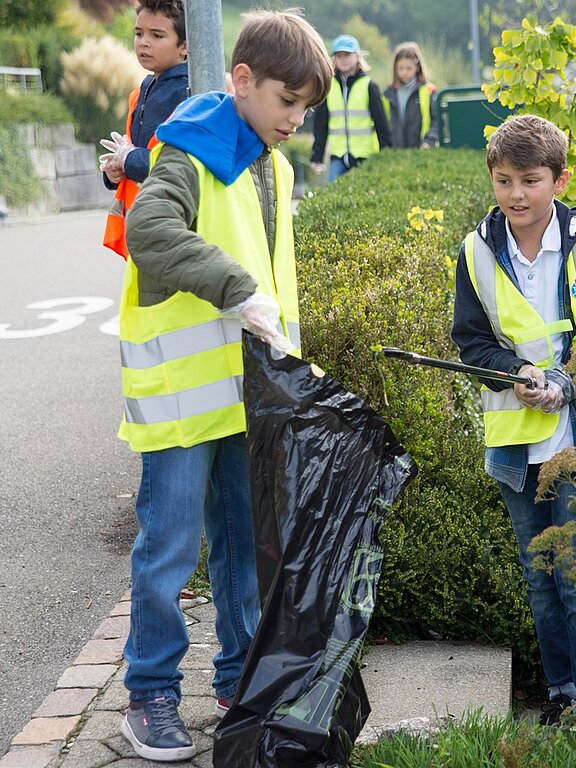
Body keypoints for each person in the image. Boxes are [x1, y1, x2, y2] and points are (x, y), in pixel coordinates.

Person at [116, 8, 333, 762]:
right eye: (286, 102)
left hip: (247, 397)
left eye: (305, 109)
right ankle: (149, 696)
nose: (295, 121)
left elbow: (276, 282)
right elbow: (150, 234)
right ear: (241, 80)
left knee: (245, 552)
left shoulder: (271, 163)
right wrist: (235, 287)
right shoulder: (189, 146)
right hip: (180, 394)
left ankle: (241, 682)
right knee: (170, 549)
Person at [451, 113, 576, 742]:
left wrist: (568, 380)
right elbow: (472, 342)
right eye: (504, 181)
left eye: (530, 181)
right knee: (540, 578)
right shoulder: (476, 251)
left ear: (558, 181)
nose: (516, 195)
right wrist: (514, 373)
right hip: (516, 439)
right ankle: (561, 696)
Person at [99, 0, 189, 259]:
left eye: (157, 35)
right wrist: (115, 170)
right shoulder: (143, 89)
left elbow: (178, 165)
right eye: (139, 33)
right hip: (142, 227)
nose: (143, 42)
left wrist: (129, 159)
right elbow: (136, 149)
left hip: (170, 230)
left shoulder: (188, 94)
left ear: (185, 46)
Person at [309, 34, 391, 181]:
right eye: (339, 55)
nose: (343, 59)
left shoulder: (368, 85)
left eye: (347, 54)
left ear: (357, 56)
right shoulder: (328, 87)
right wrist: (317, 157)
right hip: (338, 155)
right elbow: (320, 125)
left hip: (364, 155)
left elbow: (381, 123)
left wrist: (387, 152)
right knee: (332, 195)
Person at [383, 41, 439, 149]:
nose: (404, 72)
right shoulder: (388, 94)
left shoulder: (428, 91)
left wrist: (428, 142)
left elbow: (436, 122)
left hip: (422, 149)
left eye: (408, 68)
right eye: (400, 68)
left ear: (417, 67)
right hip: (396, 151)